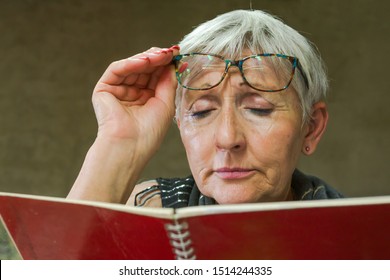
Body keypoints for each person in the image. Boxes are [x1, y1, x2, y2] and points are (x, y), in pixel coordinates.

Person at [67, 9, 343, 208]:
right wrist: (119, 142)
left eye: (258, 109)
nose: (227, 139)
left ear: (311, 127)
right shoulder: (149, 210)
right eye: (201, 112)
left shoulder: (363, 236)